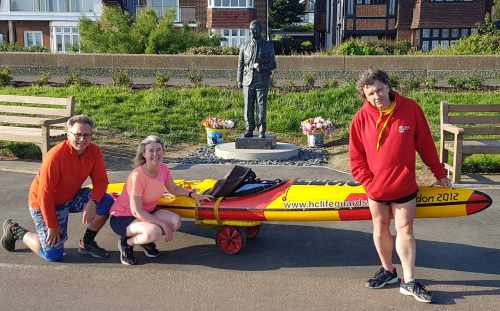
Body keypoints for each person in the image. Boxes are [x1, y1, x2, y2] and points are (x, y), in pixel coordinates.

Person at [349, 69, 451, 303]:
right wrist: (368, 181)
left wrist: (439, 173)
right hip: (376, 189)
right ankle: (388, 271)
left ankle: (409, 281)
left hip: (404, 185)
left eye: (380, 90)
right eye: (371, 93)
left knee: (405, 230)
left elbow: (425, 145)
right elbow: (356, 157)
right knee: (380, 228)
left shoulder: (410, 109)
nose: (377, 96)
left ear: (388, 86)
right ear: (365, 95)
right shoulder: (361, 118)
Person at [1, 115, 113, 262]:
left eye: (87, 135)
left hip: (70, 197)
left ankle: (87, 243)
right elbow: (44, 195)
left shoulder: (94, 151)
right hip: (44, 204)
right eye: (77, 134)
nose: (82, 139)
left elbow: (101, 181)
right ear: (68, 134)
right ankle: (16, 230)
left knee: (106, 200)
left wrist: (93, 202)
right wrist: (52, 226)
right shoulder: (55, 156)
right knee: (52, 255)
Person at [109, 135, 212, 265]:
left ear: (163, 151)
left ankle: (144, 240)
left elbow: (173, 189)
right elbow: (137, 212)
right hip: (123, 217)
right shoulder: (137, 176)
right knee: (154, 232)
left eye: (158, 150)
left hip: (147, 212)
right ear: (144, 154)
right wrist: (162, 224)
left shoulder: (163, 169)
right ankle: (126, 242)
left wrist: (193, 195)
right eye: (151, 150)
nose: (155, 154)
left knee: (175, 222)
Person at [237, 20, 276, 138]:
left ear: (260, 31)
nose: (252, 32)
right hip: (247, 81)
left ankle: (261, 128)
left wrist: (262, 66)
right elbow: (240, 64)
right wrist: (239, 79)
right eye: (250, 29)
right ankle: (249, 127)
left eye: (254, 29)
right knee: (248, 105)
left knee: (261, 105)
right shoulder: (244, 45)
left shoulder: (268, 45)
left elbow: (273, 64)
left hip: (261, 80)